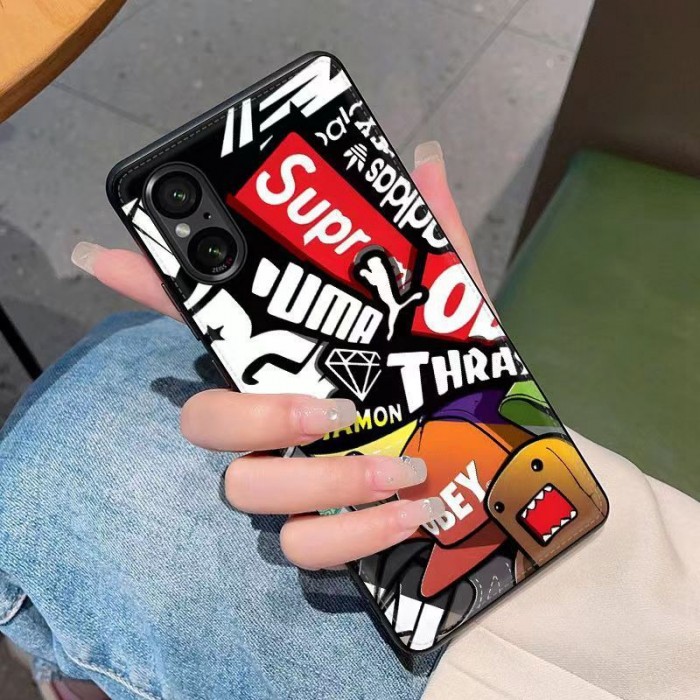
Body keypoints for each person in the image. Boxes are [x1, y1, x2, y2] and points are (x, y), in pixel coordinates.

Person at [0, 143, 698, 700]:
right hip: (639, 569)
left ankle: (77, 677)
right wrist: (465, 377)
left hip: (515, 631)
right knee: (118, 403)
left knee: (74, 444)